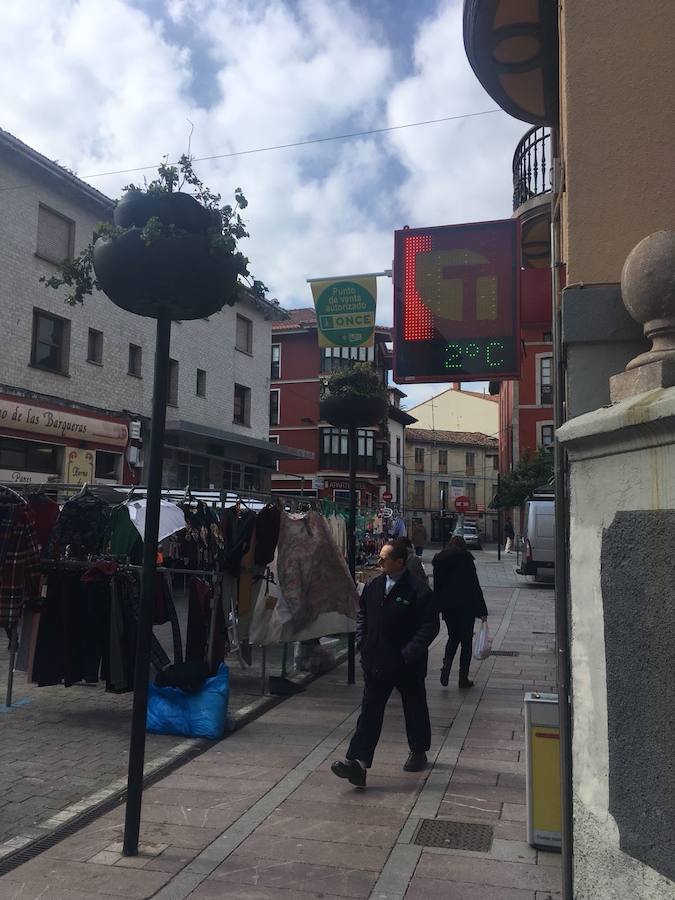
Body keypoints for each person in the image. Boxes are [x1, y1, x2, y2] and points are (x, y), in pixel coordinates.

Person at [331, 538, 439, 788]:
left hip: (406, 663)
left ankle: (418, 749)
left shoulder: (418, 590)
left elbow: (430, 625)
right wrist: (362, 642)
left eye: (384, 559)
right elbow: (363, 615)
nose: (378, 562)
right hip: (376, 660)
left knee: (414, 707)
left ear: (399, 562)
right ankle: (357, 763)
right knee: (370, 711)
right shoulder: (374, 585)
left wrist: (410, 651)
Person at [432, 535, 488, 689]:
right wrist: (482, 610)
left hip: (448, 607)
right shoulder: (466, 559)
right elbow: (474, 585)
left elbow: (437, 586)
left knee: (453, 637)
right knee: (466, 642)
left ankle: (447, 665)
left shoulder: (439, 560)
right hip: (466, 606)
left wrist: (436, 607)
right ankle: (463, 678)